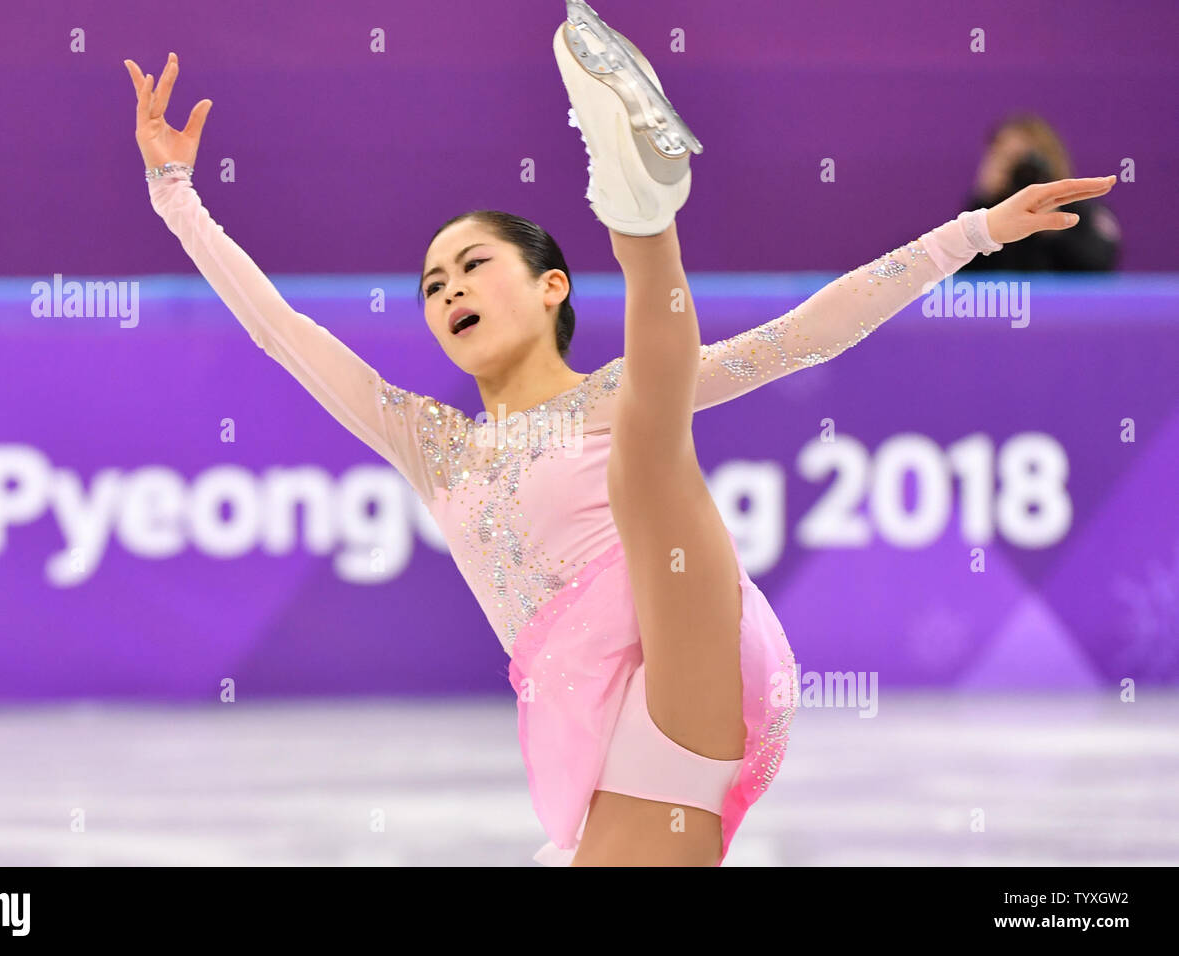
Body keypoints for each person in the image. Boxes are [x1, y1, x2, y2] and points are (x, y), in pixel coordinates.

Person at [123, 2, 1115, 866]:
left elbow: (807, 335)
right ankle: (640, 209)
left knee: (648, 424)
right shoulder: (429, 443)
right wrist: (178, 199)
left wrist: (978, 231)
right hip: (594, 711)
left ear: (551, 284)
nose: (449, 288)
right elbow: (283, 334)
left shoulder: (610, 394)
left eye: (472, 264)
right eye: (432, 283)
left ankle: (640, 212)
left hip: (687, 640)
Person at [961, 112, 1121, 271]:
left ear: (1048, 160)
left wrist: (1053, 227)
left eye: (1022, 159)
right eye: (1005, 158)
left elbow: (1100, 265)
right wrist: (983, 205)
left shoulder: (1080, 210)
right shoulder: (989, 210)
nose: (1019, 170)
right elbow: (959, 271)